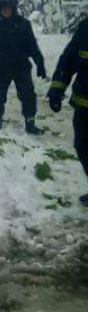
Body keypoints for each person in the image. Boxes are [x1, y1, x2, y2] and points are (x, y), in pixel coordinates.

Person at [0, 0, 47, 134]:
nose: (5, 10)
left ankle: (30, 123)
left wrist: (40, 64)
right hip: (0, 67)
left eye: (8, 8)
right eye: (2, 8)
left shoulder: (24, 24)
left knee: (28, 95)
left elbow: (33, 46)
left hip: (21, 66)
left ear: (14, 8)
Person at [47, 18, 88, 205]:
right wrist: (57, 88)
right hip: (84, 103)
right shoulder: (86, 26)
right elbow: (69, 59)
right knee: (83, 146)